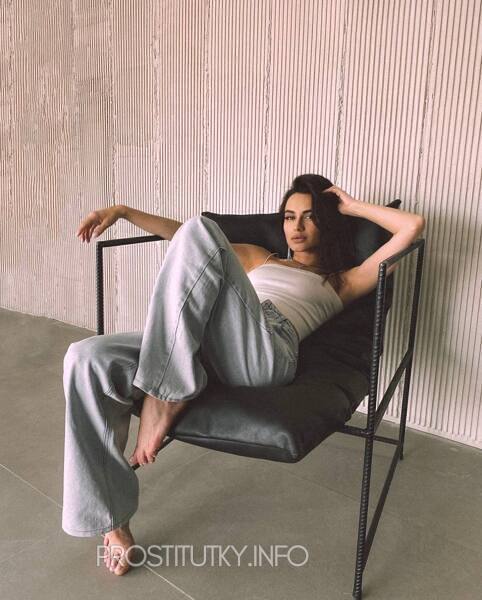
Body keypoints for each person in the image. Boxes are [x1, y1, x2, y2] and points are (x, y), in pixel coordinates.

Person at [64, 173, 425, 575]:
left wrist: (351, 206)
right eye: (289, 217)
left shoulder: (343, 280)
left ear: (328, 223)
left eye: (310, 217)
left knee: (202, 230)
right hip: (207, 344)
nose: (297, 226)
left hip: (265, 351)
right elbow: (183, 239)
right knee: (86, 357)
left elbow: (412, 226)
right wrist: (123, 212)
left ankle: (166, 392)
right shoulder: (260, 257)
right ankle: (113, 519)